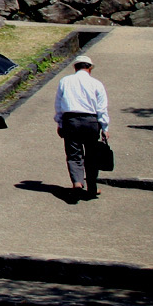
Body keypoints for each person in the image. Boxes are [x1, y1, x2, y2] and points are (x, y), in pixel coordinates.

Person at [55, 53, 110, 200]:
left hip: (70, 120)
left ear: (75, 67)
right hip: (91, 121)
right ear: (90, 68)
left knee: (74, 154)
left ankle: (77, 183)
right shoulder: (97, 84)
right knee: (92, 155)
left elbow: (59, 105)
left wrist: (59, 123)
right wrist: (104, 127)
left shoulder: (65, 81)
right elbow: (102, 108)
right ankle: (92, 187)